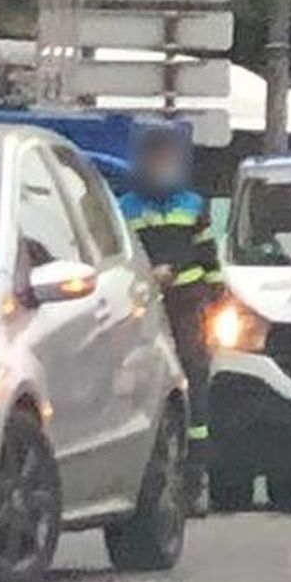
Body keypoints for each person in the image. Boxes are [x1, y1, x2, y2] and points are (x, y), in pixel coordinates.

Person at [119, 125, 222, 515]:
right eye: (155, 157)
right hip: (144, 311)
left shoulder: (193, 205)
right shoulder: (125, 208)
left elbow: (208, 258)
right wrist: (150, 275)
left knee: (195, 390)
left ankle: (192, 483)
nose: (162, 164)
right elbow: (122, 261)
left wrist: (213, 295)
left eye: (168, 157)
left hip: (186, 309)